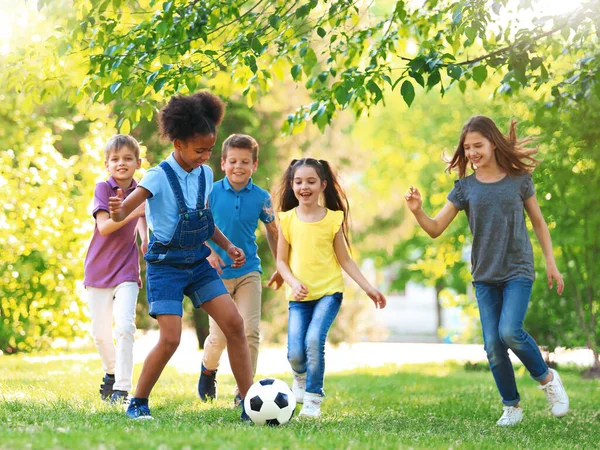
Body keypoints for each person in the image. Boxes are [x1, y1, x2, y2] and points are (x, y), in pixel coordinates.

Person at [404, 115, 569, 426]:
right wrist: (418, 211)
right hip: (485, 275)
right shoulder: (465, 188)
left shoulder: (519, 180)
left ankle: (547, 379)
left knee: (510, 332)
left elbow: (538, 221)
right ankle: (512, 406)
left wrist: (550, 262)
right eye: (467, 148)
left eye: (477, 145)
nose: (472, 153)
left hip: (517, 269)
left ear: (493, 143)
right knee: (493, 344)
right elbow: (436, 228)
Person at [108, 92, 253, 421]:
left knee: (234, 324)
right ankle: (138, 401)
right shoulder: (158, 176)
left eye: (210, 150)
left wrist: (227, 246)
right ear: (177, 143)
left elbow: (204, 220)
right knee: (171, 338)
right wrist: (117, 211)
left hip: (198, 263)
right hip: (166, 267)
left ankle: (247, 401)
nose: (206, 156)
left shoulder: (203, 175)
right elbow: (124, 212)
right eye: (199, 150)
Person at [275, 158, 386, 418]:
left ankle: (313, 398)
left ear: (323, 185)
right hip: (298, 297)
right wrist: (292, 282)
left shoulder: (333, 219)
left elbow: (344, 259)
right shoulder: (287, 220)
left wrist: (368, 288)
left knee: (314, 340)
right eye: (299, 181)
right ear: (292, 186)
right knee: (295, 354)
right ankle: (299, 377)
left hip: (328, 292)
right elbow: (281, 261)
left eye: (311, 181)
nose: (305, 186)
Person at [198, 134, 282, 405]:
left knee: (250, 331)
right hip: (216, 274)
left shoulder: (262, 197)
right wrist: (209, 253)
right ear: (223, 163)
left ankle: (244, 391)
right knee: (219, 336)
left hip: (248, 272)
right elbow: (197, 227)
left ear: (254, 165)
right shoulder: (210, 192)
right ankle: (208, 369)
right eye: (233, 161)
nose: (239, 166)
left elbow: (272, 230)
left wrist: (281, 264)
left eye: (245, 162)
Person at [83, 134, 147, 405]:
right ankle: (111, 372)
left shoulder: (141, 190)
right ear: (107, 164)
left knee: (125, 326)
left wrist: (145, 239)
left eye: (127, 158)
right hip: (98, 270)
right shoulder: (103, 188)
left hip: (126, 270)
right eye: (115, 159)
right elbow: (105, 227)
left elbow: (144, 214)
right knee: (100, 333)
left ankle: (122, 388)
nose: (121, 163)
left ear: (138, 162)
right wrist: (133, 211)